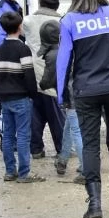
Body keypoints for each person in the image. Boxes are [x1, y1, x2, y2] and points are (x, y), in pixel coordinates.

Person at [57, 0, 109, 218]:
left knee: (90, 144)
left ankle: (95, 204)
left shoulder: (69, 20)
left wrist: (61, 94)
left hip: (86, 89)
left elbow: (64, 61)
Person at [0, 12, 45, 183]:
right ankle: (24, 173)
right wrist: (33, 95)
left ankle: (10, 171)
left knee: (8, 135)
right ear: (19, 27)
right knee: (23, 135)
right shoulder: (23, 49)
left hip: (5, 97)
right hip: (21, 97)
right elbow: (29, 75)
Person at [23, 0, 65, 160]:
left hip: (32, 73)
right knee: (56, 114)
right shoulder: (61, 21)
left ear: (40, 4)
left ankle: (36, 149)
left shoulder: (27, 21)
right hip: (53, 72)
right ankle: (62, 148)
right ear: (57, 6)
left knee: (35, 113)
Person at [42, 19, 84, 183]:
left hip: (71, 95)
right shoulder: (80, 46)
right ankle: (62, 160)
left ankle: (85, 169)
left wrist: (43, 86)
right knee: (69, 127)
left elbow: (48, 79)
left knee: (76, 131)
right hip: (84, 93)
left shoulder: (56, 53)